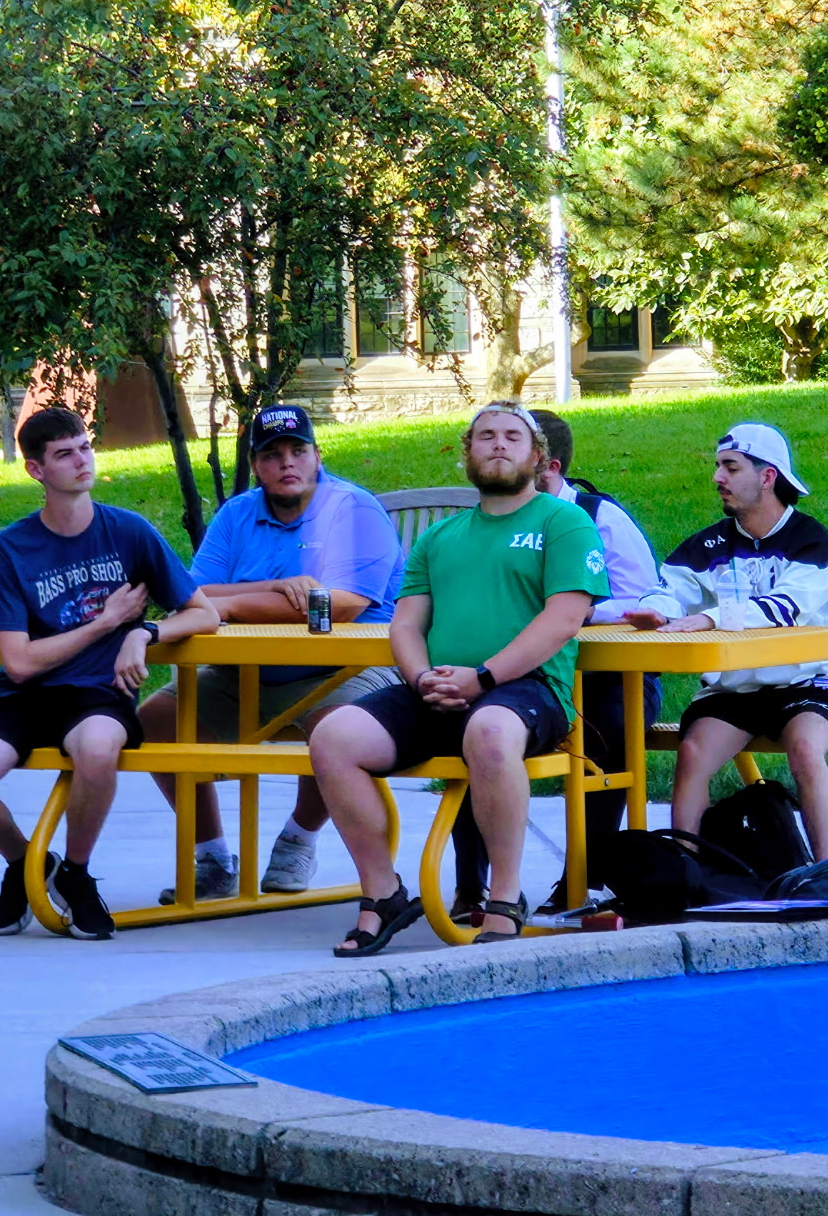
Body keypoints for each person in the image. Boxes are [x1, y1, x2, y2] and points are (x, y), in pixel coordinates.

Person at [309, 402, 605, 954]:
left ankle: (506, 898)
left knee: (489, 731)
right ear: (466, 453)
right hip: (438, 688)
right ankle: (383, 893)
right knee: (332, 736)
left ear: (538, 456)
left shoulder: (564, 522)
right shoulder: (439, 537)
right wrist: (422, 678)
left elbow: (564, 618)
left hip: (526, 692)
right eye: (485, 435)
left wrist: (483, 677)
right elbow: (406, 623)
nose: (498, 444)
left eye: (512, 436)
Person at [0, 406, 220, 939]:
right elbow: (18, 663)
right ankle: (27, 865)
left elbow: (205, 613)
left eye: (85, 448)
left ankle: (76, 872)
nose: (81, 461)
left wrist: (143, 632)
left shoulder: (129, 532)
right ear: (36, 471)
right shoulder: (10, 549)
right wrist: (107, 622)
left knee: (97, 747)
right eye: (64, 454)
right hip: (21, 698)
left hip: (97, 694)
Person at [141, 403, 404, 902]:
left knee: (338, 731)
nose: (287, 463)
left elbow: (343, 607)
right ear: (257, 465)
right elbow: (190, 596)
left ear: (317, 456)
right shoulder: (237, 513)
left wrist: (234, 605)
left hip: (342, 669)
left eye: (298, 450)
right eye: (273, 454)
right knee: (155, 721)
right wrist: (273, 589)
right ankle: (214, 859)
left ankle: (298, 840)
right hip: (242, 672)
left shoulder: (353, 509)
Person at [450, 408, 663, 916]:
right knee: (470, 729)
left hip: (612, 679)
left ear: (549, 465)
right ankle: (470, 889)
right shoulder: (487, 524)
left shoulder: (596, 516)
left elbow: (646, 598)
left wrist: (571, 609)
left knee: (611, 731)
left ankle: (581, 882)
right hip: (523, 675)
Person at [630, 423, 828, 860]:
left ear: (767, 476)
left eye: (730, 467)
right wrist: (659, 610)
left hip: (810, 683)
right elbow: (670, 586)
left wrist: (708, 618)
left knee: (806, 748)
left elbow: (786, 609)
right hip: (732, 690)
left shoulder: (811, 541)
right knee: (692, 752)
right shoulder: (709, 542)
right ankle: (688, 873)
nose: (718, 478)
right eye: (718, 467)